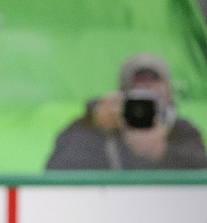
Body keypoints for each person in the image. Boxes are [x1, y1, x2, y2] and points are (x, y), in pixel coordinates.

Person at [46, 52, 207, 170]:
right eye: (138, 84)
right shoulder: (92, 127)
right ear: (121, 95)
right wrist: (97, 126)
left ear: (168, 92)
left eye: (154, 81)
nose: (146, 87)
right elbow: (59, 172)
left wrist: (161, 152)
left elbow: (200, 173)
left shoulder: (181, 131)